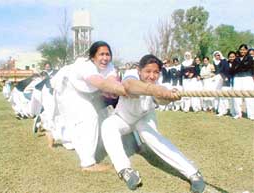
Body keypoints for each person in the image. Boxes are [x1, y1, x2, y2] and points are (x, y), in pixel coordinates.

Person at [101, 54, 205, 192]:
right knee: (107, 125)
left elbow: (161, 100)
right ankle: (125, 170)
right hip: (123, 119)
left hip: (143, 119)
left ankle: (193, 173)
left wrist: (170, 98)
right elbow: (129, 86)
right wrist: (156, 90)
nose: (152, 76)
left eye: (156, 72)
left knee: (152, 137)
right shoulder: (131, 74)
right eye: (148, 71)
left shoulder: (159, 84)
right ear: (139, 70)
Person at [49, 41, 127, 171]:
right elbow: (101, 83)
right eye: (101, 54)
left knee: (92, 119)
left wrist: (114, 90)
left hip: (87, 92)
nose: (105, 58)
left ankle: (55, 134)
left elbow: (111, 81)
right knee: (89, 117)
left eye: (108, 54)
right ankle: (88, 163)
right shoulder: (85, 66)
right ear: (92, 57)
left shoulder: (110, 66)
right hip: (67, 90)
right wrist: (124, 91)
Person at [230, 44, 254, 120]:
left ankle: (251, 114)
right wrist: (240, 66)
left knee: (249, 96)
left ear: (247, 50)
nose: (242, 51)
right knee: (236, 96)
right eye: (241, 49)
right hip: (237, 78)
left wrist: (240, 67)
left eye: (244, 49)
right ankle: (238, 113)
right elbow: (233, 70)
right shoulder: (236, 59)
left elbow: (247, 67)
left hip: (247, 77)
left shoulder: (250, 58)